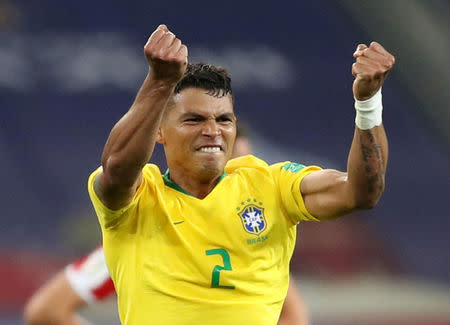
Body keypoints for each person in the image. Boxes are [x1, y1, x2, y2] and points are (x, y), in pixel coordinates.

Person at [88, 24, 394, 325]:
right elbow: (116, 169)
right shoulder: (140, 198)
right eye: (193, 120)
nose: (213, 132)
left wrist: (367, 103)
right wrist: (159, 84)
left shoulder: (269, 185)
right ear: (159, 131)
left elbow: (360, 192)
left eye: (224, 120)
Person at [23, 126, 310, 325]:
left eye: (238, 169)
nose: (228, 177)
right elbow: (47, 310)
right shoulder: (143, 232)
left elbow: (293, 318)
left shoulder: (256, 243)